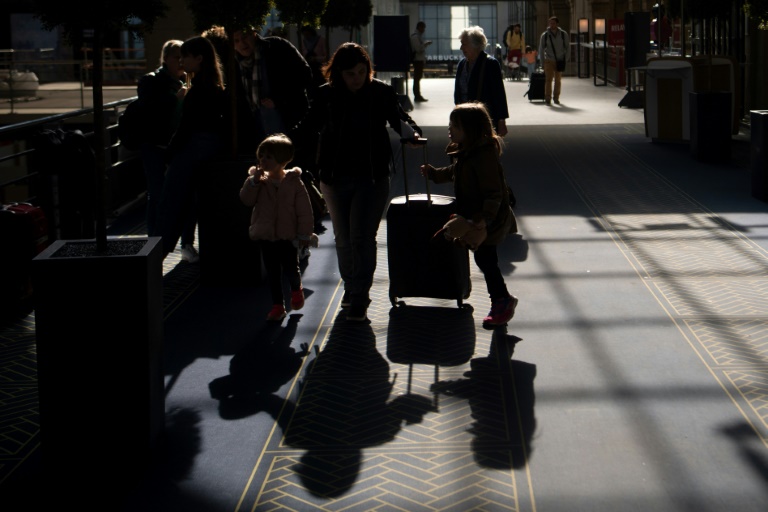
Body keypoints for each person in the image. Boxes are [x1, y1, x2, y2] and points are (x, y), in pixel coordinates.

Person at [290, 42, 423, 322]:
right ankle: (352, 287)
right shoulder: (326, 96)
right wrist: (283, 147)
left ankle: (359, 294)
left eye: (362, 72)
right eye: (351, 73)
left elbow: (399, 119)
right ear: (339, 73)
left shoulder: (380, 92)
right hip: (334, 177)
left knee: (361, 237)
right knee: (343, 238)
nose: (358, 78)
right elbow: (308, 126)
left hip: (371, 176)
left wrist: (412, 134)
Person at [420, 102, 517, 329]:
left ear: (470, 130)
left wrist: (485, 218)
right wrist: (434, 174)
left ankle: (502, 301)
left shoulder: (483, 156)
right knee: (484, 259)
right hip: (477, 217)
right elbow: (454, 172)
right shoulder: (467, 152)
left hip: (487, 220)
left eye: (455, 126)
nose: (449, 129)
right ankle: (500, 301)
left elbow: (494, 193)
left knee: (486, 260)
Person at [159, 36, 227, 261]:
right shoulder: (214, 87)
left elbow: (186, 127)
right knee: (191, 204)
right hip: (208, 151)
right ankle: (182, 244)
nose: (181, 61)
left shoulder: (197, 90)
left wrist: (169, 152)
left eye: (185, 56)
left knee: (172, 205)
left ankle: (160, 252)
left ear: (198, 59)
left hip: (191, 151)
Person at [239, 133, 314, 322]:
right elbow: (246, 200)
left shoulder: (294, 182)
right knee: (273, 272)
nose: (263, 160)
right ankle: (277, 306)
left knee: (290, 268)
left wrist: (305, 233)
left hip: (287, 235)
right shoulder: (258, 181)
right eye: (261, 156)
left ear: (282, 160)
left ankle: (296, 289)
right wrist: (253, 182)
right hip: (266, 235)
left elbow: (304, 210)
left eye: (269, 157)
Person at [135, 39, 186, 254]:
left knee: (177, 194)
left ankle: (180, 242)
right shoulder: (151, 81)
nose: (181, 62)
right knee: (156, 194)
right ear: (165, 59)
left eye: (184, 57)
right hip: (155, 144)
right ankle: (154, 244)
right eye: (177, 57)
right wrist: (176, 99)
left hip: (175, 145)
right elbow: (151, 110)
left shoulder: (184, 81)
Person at [232, 27, 313, 157]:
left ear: (254, 34)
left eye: (245, 37)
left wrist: (279, 100)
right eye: (236, 41)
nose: (242, 44)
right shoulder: (235, 62)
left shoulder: (276, 47)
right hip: (254, 124)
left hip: (285, 118)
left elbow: (304, 74)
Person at [454, 26, 509, 137]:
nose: (461, 48)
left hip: (484, 119)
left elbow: (499, 94)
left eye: (464, 44)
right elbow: (458, 92)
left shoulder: (490, 64)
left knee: (482, 152)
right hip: (464, 118)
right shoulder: (462, 64)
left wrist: (501, 120)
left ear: (475, 45)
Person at [537, 16, 569, 105]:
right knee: (548, 79)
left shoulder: (563, 34)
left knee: (558, 80)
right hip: (549, 60)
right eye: (550, 23)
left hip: (560, 60)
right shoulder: (545, 35)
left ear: (557, 24)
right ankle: (548, 97)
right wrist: (542, 61)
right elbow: (541, 48)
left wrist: (565, 59)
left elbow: (567, 47)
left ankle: (556, 97)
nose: (551, 25)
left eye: (553, 23)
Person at [300, 25, 328, 98]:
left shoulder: (321, 40)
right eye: (304, 34)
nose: (306, 36)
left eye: (307, 34)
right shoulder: (303, 42)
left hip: (319, 70)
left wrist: (316, 58)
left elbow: (326, 57)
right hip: (308, 69)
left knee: (319, 89)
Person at [410, 21, 432, 102]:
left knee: (417, 78)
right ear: (419, 27)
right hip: (417, 60)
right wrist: (425, 44)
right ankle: (417, 95)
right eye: (423, 28)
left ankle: (418, 95)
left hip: (418, 60)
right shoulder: (415, 37)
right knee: (417, 78)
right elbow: (418, 49)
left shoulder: (417, 36)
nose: (424, 30)